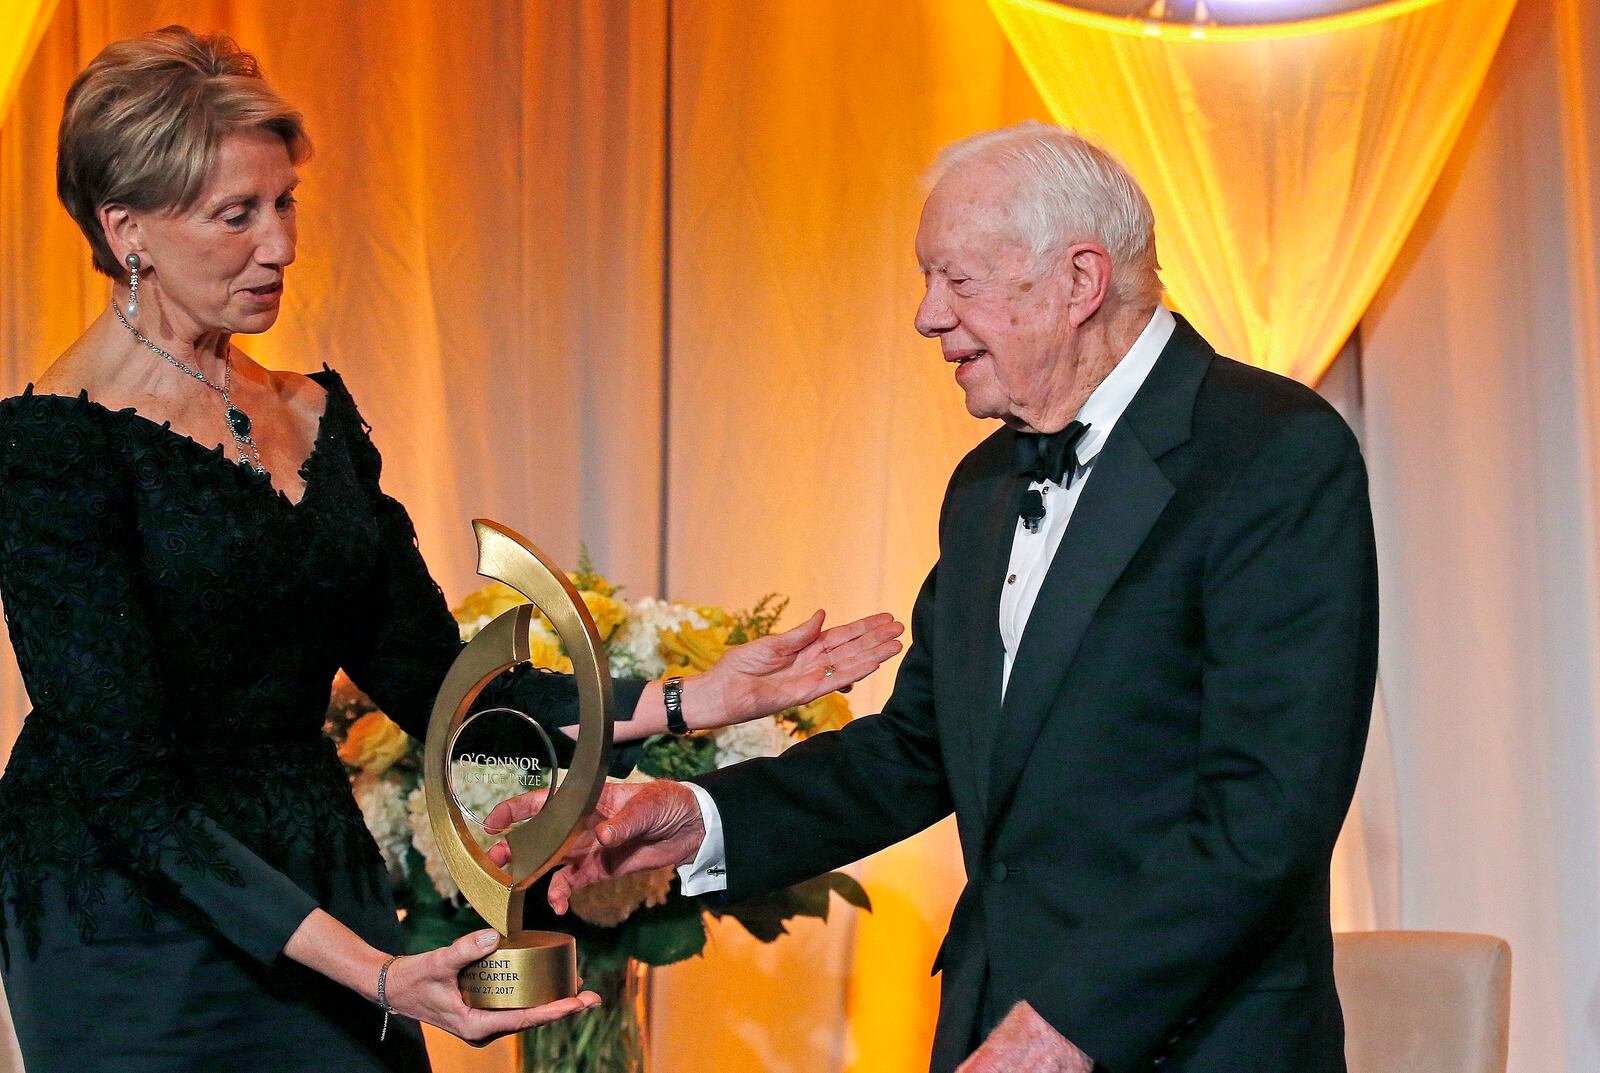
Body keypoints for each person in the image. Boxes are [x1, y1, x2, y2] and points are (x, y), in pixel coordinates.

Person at [0, 26, 903, 1073]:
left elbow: (443, 688)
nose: (280, 244)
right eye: (234, 215)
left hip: (312, 862)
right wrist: (377, 973)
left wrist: (692, 700)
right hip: (135, 918)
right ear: (129, 230)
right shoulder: (49, 447)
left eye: (284, 202)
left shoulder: (309, 414)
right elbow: (128, 792)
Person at [493, 122, 1379, 1073]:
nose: (925, 315)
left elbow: (1266, 811)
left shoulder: (1276, 450)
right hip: (991, 1026)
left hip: (1199, 1043)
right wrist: (695, 817)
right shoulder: (983, 482)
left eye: (956, 280)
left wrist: (1069, 1025)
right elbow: (918, 751)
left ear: (1080, 282)